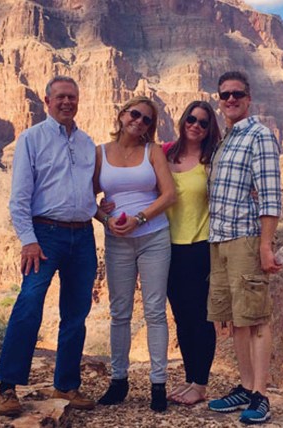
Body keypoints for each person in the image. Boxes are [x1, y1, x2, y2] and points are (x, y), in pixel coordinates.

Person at [0, 76, 98, 416]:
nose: (67, 102)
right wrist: (28, 240)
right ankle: (8, 387)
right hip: (45, 236)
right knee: (29, 304)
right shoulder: (31, 139)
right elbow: (19, 198)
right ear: (47, 100)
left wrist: (102, 212)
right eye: (61, 97)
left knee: (76, 313)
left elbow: (87, 193)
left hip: (83, 236)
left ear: (78, 100)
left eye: (72, 97)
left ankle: (67, 385)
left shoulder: (87, 144)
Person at [206, 71, 283, 425]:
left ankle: (261, 395)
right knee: (237, 319)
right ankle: (245, 386)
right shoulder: (226, 139)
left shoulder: (259, 136)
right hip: (220, 240)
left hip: (247, 240)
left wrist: (265, 246)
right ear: (219, 100)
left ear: (249, 98)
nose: (231, 100)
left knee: (256, 318)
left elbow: (270, 196)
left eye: (237, 94)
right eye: (224, 95)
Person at [93, 96, 176, 412]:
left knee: (155, 311)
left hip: (154, 236)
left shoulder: (152, 152)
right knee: (120, 312)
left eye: (147, 120)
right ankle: (119, 381)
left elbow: (169, 195)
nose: (139, 122)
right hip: (117, 241)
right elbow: (89, 198)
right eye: (135, 114)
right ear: (121, 114)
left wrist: (141, 218)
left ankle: (158, 384)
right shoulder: (100, 153)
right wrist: (105, 217)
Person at [161, 101, 221, 405]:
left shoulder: (212, 160)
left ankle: (201, 384)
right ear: (183, 120)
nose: (196, 125)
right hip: (167, 248)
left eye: (203, 123)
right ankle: (189, 379)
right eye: (192, 119)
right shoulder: (165, 154)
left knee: (201, 316)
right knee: (182, 317)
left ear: (210, 129)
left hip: (200, 247)